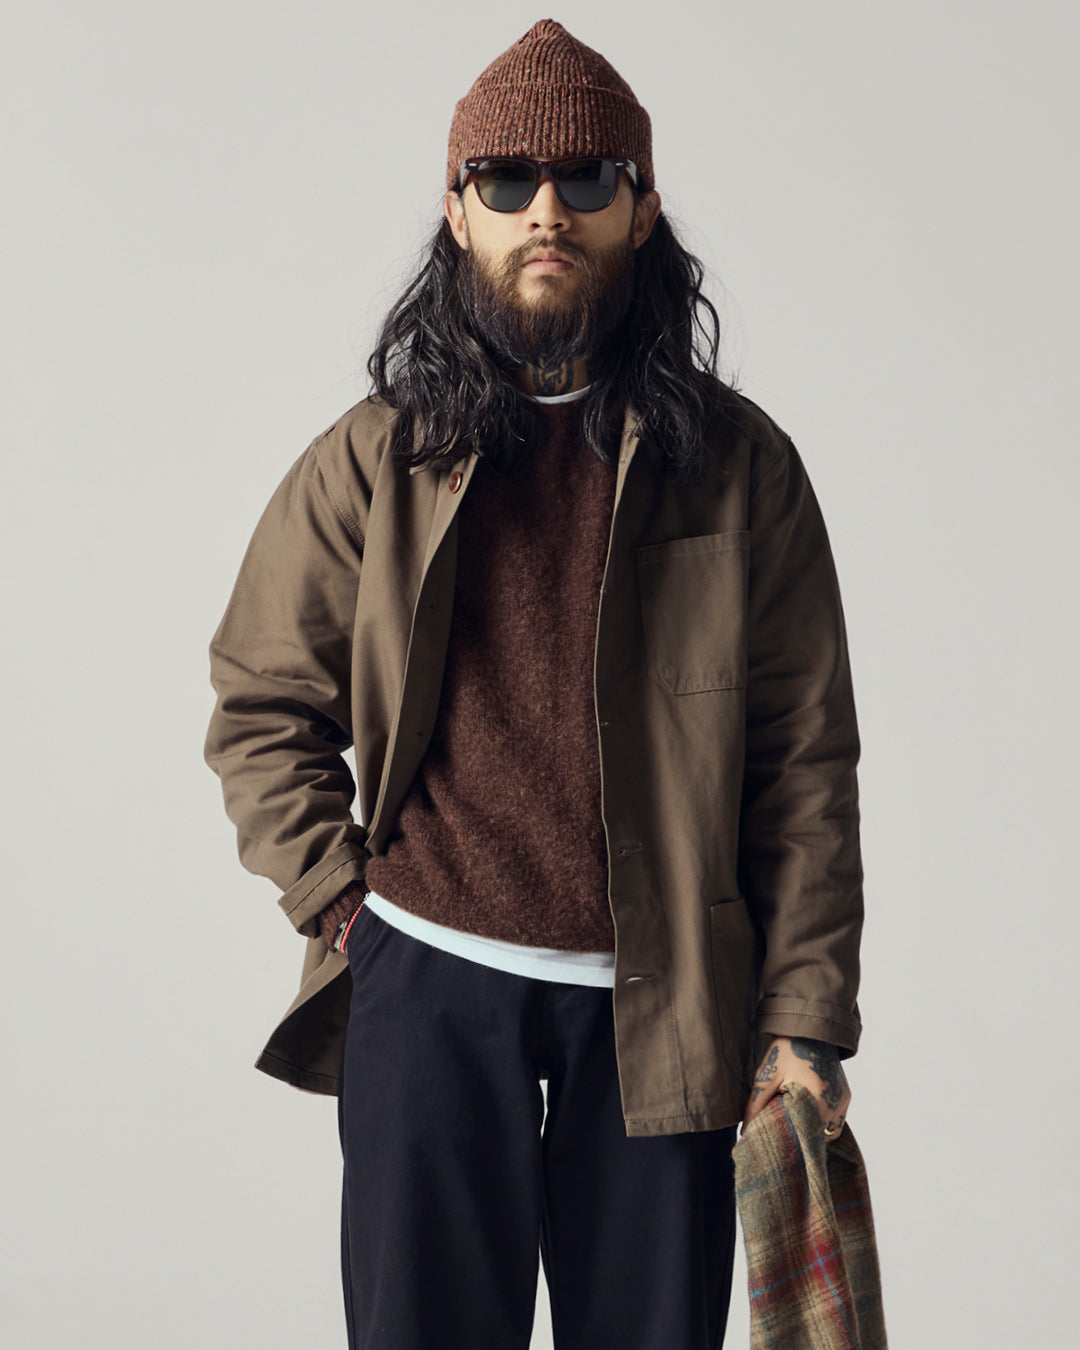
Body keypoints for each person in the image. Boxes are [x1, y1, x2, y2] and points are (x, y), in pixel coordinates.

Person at [203, 18, 865, 1350]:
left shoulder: (743, 469)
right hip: (430, 991)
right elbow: (260, 699)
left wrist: (802, 1020)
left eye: (588, 178)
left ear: (644, 205)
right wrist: (343, 903)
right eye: (505, 179)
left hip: (665, 1014)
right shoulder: (370, 462)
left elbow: (804, 765)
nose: (544, 210)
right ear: (457, 210)